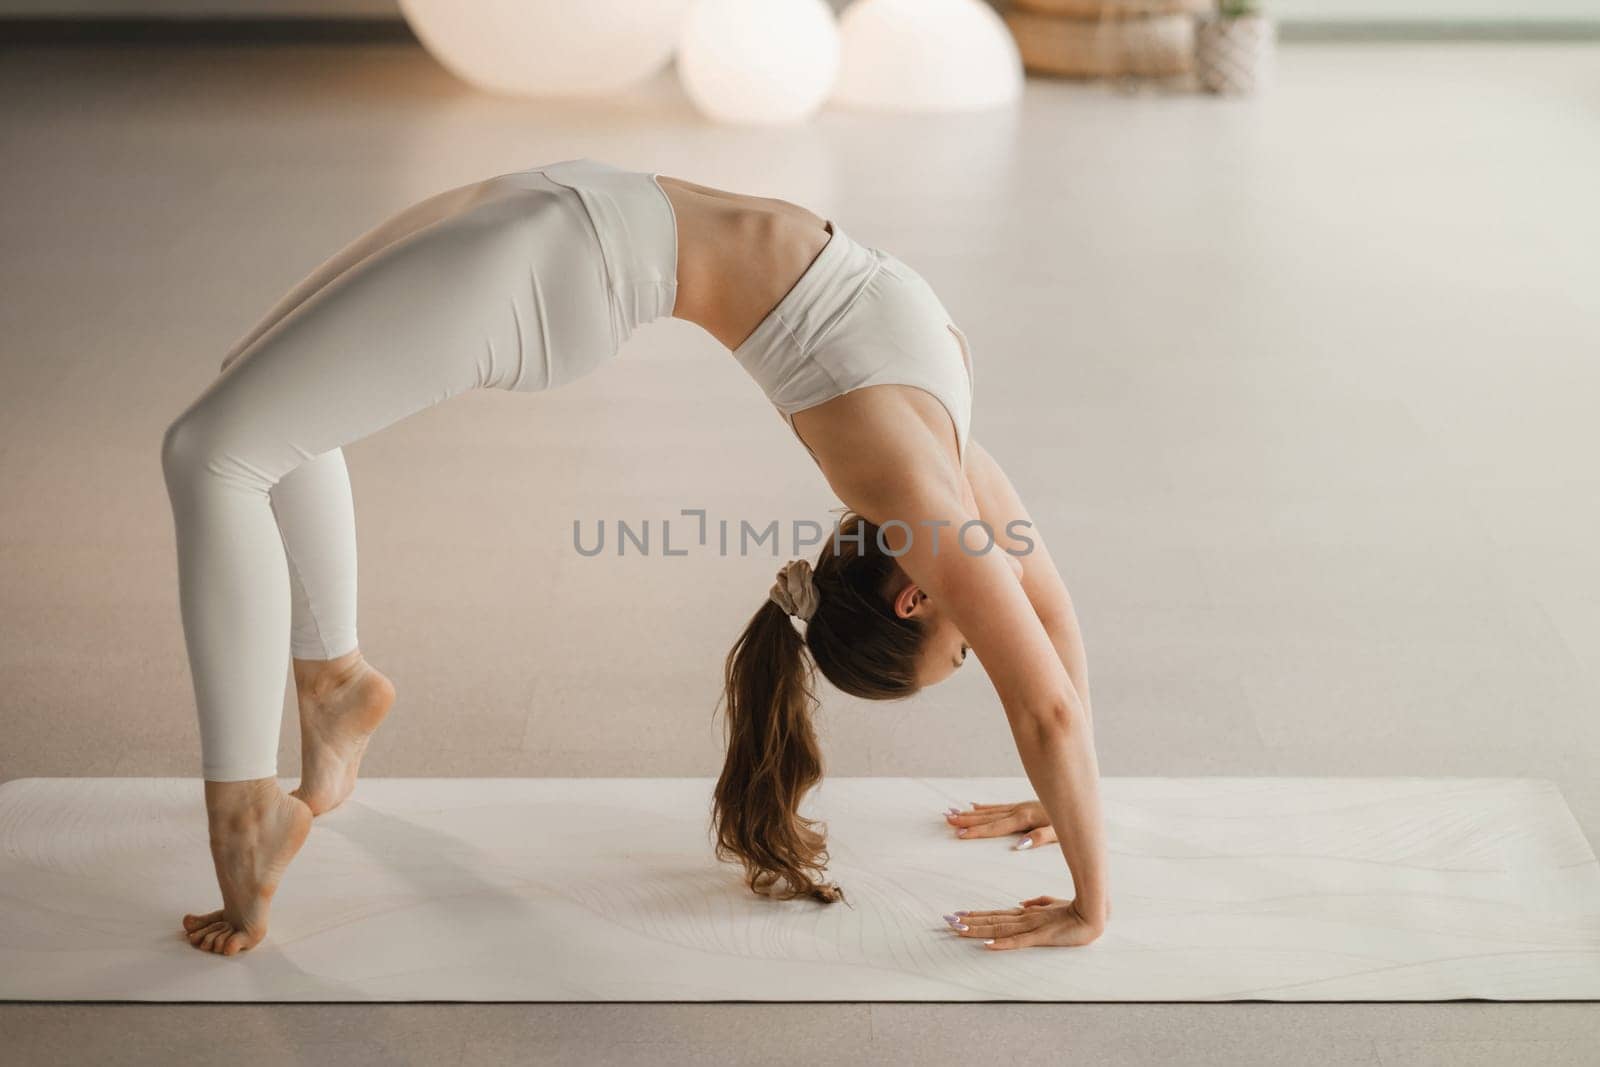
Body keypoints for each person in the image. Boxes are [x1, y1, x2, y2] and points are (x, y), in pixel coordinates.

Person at [161, 158, 1108, 956]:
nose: (989, 628)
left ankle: (247, 812)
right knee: (256, 408)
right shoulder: (935, 480)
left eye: (968, 643)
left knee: (214, 451)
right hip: (566, 206)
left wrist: (1074, 847)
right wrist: (1086, 895)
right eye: (966, 649)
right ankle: (334, 688)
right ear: (917, 602)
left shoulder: (922, 482)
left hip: (563, 264)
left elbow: (1046, 686)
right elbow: (1051, 676)